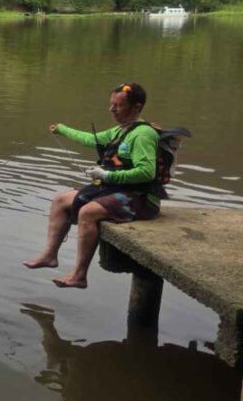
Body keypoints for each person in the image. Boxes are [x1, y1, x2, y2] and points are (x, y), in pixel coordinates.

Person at [23, 82, 162, 289]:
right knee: (61, 200)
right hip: (118, 189)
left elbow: (146, 172)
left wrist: (106, 175)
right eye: (111, 104)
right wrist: (62, 129)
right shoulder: (120, 131)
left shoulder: (143, 135)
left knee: (88, 212)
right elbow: (91, 139)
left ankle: (79, 274)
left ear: (137, 108)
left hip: (141, 199)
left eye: (118, 106)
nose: (112, 110)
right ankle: (50, 255)